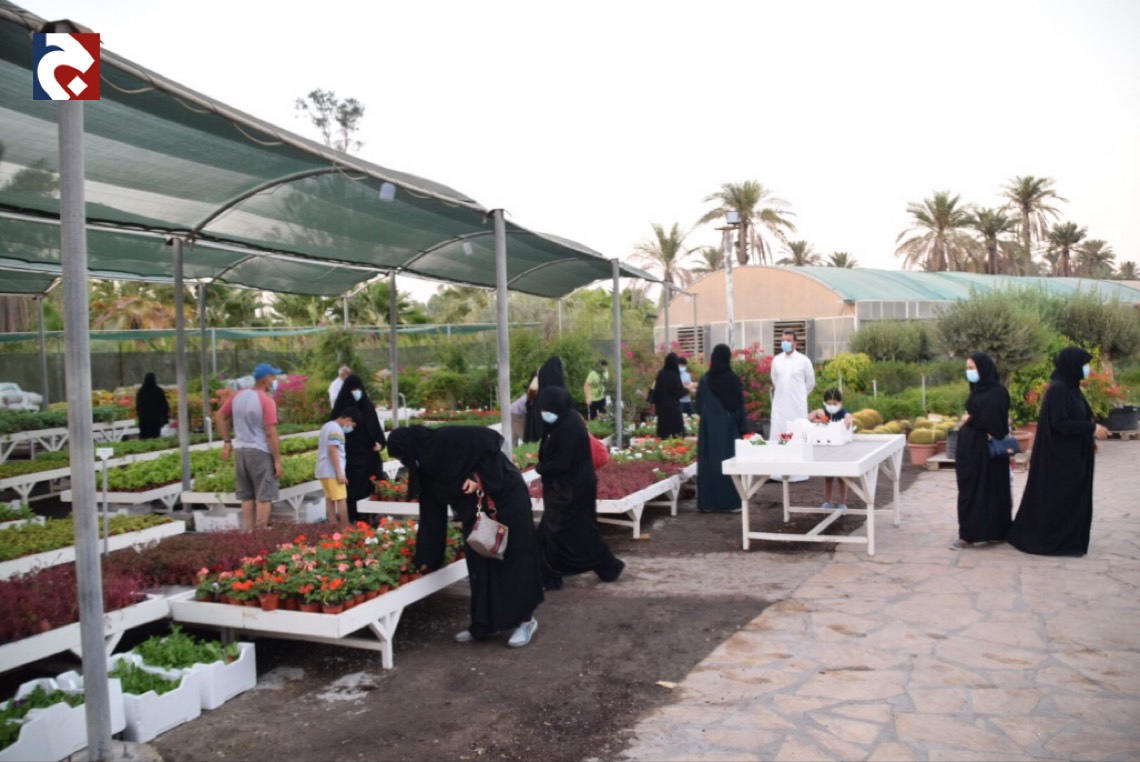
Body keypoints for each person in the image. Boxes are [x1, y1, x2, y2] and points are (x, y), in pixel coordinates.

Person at [388, 426, 543, 648]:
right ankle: (484, 624)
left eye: (403, 456)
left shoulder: (447, 438)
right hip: (477, 511)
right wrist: (427, 558)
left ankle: (525, 620)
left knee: (513, 560)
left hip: (506, 499)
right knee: (479, 563)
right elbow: (432, 514)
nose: (406, 462)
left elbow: (491, 441)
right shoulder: (426, 465)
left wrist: (476, 476)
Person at [1007, 347, 1110, 556]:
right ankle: (1054, 540)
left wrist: (1089, 435)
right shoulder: (1059, 390)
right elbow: (1060, 422)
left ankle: (1068, 539)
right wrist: (1091, 429)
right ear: (1072, 365)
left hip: (1071, 456)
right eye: (1083, 365)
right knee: (1058, 500)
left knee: (1070, 500)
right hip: (1059, 459)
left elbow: (1077, 416)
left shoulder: (1071, 388)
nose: (1086, 369)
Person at [534, 386, 624, 589]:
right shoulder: (565, 420)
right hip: (571, 487)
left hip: (570, 491)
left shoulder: (569, 426)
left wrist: (541, 468)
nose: (544, 413)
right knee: (575, 532)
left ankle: (553, 575)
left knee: (558, 532)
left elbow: (562, 462)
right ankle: (607, 567)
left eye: (546, 408)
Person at [949, 354, 1013, 549]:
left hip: (987, 449)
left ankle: (993, 532)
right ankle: (969, 532)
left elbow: (993, 421)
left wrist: (970, 419)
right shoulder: (978, 390)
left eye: (972, 368)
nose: (969, 372)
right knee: (970, 488)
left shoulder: (997, 392)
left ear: (984, 368)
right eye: (968, 368)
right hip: (972, 450)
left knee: (992, 489)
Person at [215, 362, 283, 530]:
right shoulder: (266, 401)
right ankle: (261, 532)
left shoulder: (238, 396)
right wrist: (277, 460)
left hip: (241, 451)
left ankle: (249, 532)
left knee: (247, 496)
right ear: (266, 379)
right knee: (264, 496)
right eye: (273, 377)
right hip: (260, 451)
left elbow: (220, 416)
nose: (274, 381)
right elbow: (270, 433)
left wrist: (227, 442)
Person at [694, 344, 748, 513]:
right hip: (729, 429)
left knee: (710, 464)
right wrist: (743, 428)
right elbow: (739, 407)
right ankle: (731, 503)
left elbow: (698, 406)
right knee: (729, 464)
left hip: (709, 429)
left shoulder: (705, 379)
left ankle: (708, 504)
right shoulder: (734, 379)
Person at [330, 374, 387, 524]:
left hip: (369, 458)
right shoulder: (340, 410)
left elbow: (377, 432)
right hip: (349, 459)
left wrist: (379, 444)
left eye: (359, 389)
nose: (356, 392)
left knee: (371, 487)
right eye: (353, 389)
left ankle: (370, 518)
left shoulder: (367, 407)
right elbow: (333, 433)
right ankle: (353, 519)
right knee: (352, 490)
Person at [770, 329, 815, 482]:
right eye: (783, 340)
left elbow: (810, 382)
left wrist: (800, 395)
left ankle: (798, 473)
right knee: (779, 435)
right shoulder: (776, 360)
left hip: (797, 406)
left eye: (788, 340)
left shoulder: (804, 361)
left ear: (795, 342)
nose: (785, 343)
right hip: (780, 406)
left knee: (796, 435)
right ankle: (777, 473)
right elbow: (775, 379)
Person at [808, 388, 854, 510]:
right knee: (828, 478)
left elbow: (848, 415)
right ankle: (828, 501)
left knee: (842, 478)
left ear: (840, 402)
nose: (832, 406)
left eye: (835, 403)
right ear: (824, 403)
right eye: (829, 403)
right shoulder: (824, 413)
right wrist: (816, 412)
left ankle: (843, 503)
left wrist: (848, 418)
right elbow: (809, 418)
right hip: (826, 451)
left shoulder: (842, 412)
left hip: (841, 452)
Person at [316, 406, 360, 525]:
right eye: (352, 425)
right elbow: (333, 450)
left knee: (330, 499)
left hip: (324, 470)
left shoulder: (327, 425)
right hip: (332, 471)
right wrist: (339, 473)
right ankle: (346, 527)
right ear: (348, 420)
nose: (351, 428)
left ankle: (332, 524)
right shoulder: (336, 430)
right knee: (341, 499)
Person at [524, 357, 566, 443]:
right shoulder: (560, 387)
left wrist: (537, 375)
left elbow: (532, 390)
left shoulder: (542, 376)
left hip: (540, 411)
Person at [651, 353, 687, 439]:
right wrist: (687, 390)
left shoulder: (660, 374)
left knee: (663, 435)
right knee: (676, 436)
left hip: (662, 410)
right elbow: (677, 394)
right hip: (674, 411)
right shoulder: (675, 376)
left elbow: (655, 390)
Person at [135, 372, 170, 440]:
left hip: (144, 419)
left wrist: (140, 415)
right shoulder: (158, 391)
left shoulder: (141, 392)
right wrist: (165, 418)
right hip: (156, 419)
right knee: (155, 436)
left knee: (145, 437)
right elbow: (164, 406)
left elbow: (138, 406)